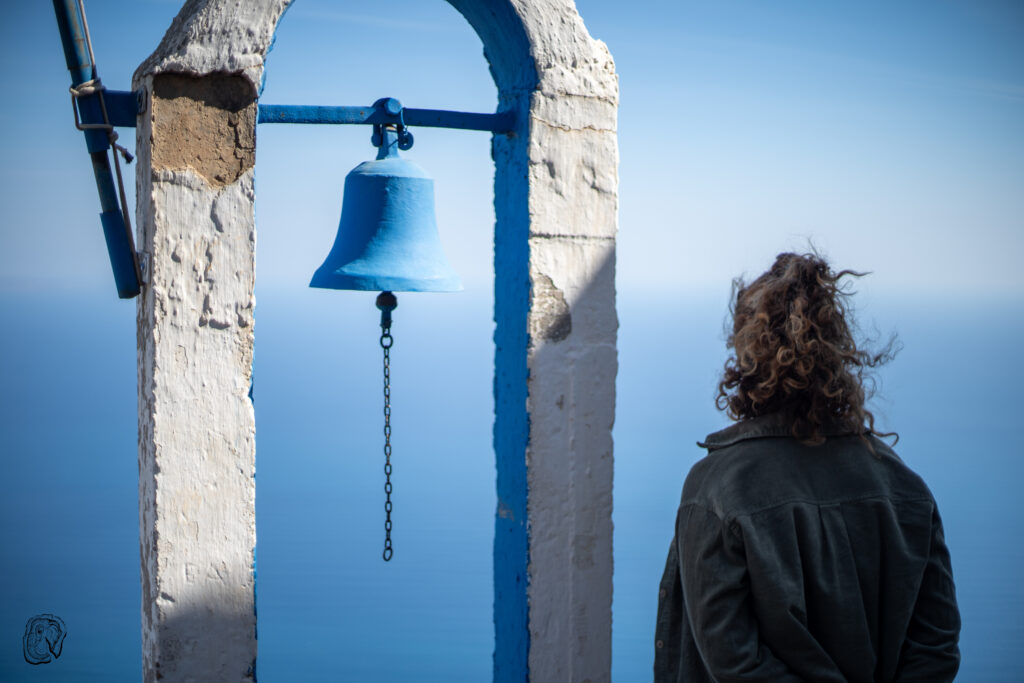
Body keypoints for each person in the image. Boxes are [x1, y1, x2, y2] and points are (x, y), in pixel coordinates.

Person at [654, 252, 960, 682]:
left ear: (745, 357)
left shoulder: (716, 490)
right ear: (837, 352)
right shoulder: (905, 487)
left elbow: (735, 663)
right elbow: (936, 648)